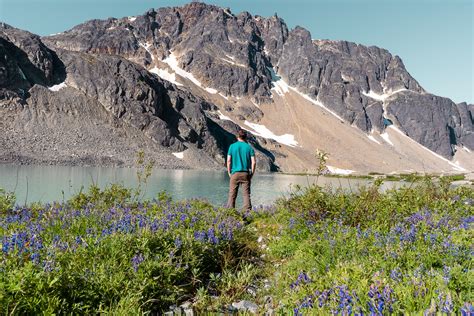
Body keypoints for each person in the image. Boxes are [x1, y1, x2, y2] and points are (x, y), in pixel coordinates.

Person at [226, 129, 256, 210]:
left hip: (234, 173)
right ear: (245, 137)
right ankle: (247, 213)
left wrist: (229, 172)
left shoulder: (232, 146)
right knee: (246, 194)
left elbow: (228, 161)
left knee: (232, 194)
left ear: (237, 136)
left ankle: (230, 213)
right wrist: (252, 174)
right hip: (246, 173)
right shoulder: (249, 148)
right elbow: (253, 162)